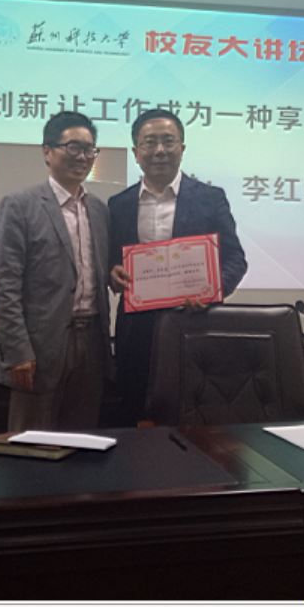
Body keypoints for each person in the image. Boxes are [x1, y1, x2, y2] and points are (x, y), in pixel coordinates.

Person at [108, 108, 247, 425]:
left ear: (182, 148)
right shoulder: (119, 204)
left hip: (194, 326)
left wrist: (212, 291)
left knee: (194, 424)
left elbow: (235, 259)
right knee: (134, 420)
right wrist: (111, 273)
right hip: (136, 333)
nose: (160, 150)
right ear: (136, 152)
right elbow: (111, 261)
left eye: (168, 141)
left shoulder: (210, 198)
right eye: (150, 142)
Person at [0, 111, 113, 431]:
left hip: (92, 344)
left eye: (89, 149)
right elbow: (4, 286)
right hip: (39, 347)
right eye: (73, 147)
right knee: (33, 443)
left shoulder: (99, 209)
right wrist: (18, 351)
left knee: (83, 440)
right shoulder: (19, 205)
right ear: (47, 151)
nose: (82, 157)